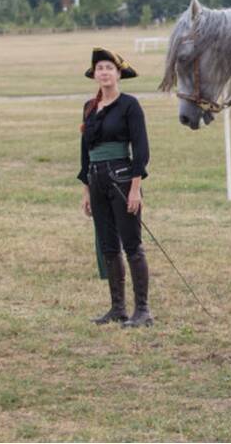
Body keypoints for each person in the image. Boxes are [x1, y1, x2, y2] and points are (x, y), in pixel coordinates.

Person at [78, 47, 153, 327]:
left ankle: (143, 310)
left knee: (132, 245)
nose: (104, 72)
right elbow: (85, 152)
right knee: (109, 246)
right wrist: (85, 190)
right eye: (100, 68)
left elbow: (141, 150)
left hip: (122, 179)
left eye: (109, 67)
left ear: (119, 73)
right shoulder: (89, 107)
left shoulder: (130, 105)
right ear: (94, 74)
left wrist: (135, 189)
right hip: (96, 179)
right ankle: (118, 308)